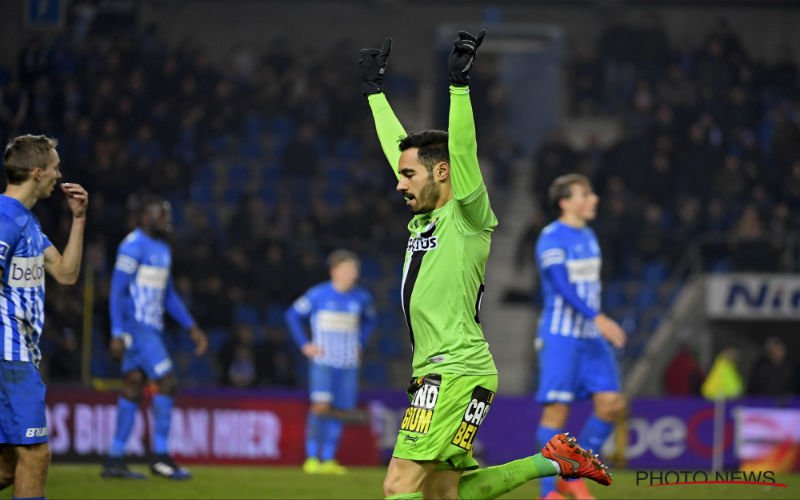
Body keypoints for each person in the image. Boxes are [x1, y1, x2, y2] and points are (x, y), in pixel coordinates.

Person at [360, 32, 612, 500]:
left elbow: (461, 152)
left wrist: (459, 87)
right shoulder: (429, 214)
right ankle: (553, 460)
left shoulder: (467, 215)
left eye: (408, 176)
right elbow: (401, 150)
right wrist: (375, 93)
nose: (398, 184)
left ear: (441, 174)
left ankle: (553, 460)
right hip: (457, 370)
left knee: (399, 485)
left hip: (450, 370)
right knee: (443, 491)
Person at [0, 134, 88, 498]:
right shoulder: (6, 218)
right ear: (37, 172)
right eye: (54, 168)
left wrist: (79, 220)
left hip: (20, 353)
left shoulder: (29, 223)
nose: (59, 174)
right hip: (9, 353)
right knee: (36, 453)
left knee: (7, 465)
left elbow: (66, 273)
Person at [533, 173, 627, 499]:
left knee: (612, 403)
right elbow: (561, 284)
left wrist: (594, 321)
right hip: (561, 336)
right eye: (585, 194)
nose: (594, 199)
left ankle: (573, 470)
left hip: (590, 337)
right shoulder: (551, 237)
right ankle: (548, 492)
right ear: (565, 202)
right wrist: (597, 316)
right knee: (557, 412)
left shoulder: (588, 235)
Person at [101, 196, 208, 480]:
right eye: (162, 215)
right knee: (168, 383)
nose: (167, 220)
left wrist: (191, 326)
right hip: (138, 328)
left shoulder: (162, 248)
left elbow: (169, 294)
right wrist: (116, 332)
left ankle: (114, 459)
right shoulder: (132, 246)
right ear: (145, 217)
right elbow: (116, 291)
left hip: (152, 328)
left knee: (134, 386)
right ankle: (160, 456)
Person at [285, 249, 377, 474]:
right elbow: (292, 315)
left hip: (348, 364)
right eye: (347, 270)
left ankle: (328, 459)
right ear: (334, 271)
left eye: (354, 270)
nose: (352, 275)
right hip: (323, 361)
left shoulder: (362, 298)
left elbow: (370, 321)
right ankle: (311, 458)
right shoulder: (318, 295)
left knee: (339, 411)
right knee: (320, 407)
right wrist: (304, 345)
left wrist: (361, 344)